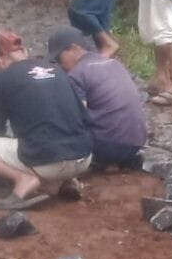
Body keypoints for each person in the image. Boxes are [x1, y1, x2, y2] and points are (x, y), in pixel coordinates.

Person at [0, 30, 93, 210]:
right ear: (24, 52)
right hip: (84, 157)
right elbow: (82, 117)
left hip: (49, 164)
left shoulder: (0, 78)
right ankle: (68, 181)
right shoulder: (55, 68)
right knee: (52, 132)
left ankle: (23, 181)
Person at [47, 26, 147, 170]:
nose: (59, 65)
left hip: (108, 146)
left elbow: (75, 121)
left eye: (58, 58)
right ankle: (120, 161)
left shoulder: (76, 75)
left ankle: (100, 162)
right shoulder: (114, 63)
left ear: (73, 48)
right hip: (136, 142)